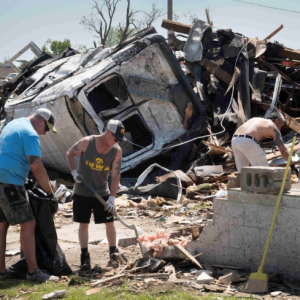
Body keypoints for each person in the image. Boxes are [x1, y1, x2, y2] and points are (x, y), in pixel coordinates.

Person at [0, 108, 57, 281]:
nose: (45, 133)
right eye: (46, 129)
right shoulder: (30, 133)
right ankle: (33, 272)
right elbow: (37, 166)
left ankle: (1, 272)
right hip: (10, 182)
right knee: (29, 223)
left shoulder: (13, 125)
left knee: (2, 225)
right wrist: (50, 193)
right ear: (41, 121)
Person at [66, 119, 124, 270]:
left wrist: (112, 197)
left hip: (101, 191)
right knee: (83, 224)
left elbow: (116, 175)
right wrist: (74, 172)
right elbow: (70, 154)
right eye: (115, 138)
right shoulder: (87, 142)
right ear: (108, 133)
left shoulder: (116, 150)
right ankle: (84, 257)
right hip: (82, 191)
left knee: (109, 222)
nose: (117, 141)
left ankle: (113, 252)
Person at [232, 111, 295, 175]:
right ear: (276, 121)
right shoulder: (273, 127)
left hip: (235, 140)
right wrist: (292, 165)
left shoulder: (256, 120)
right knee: (264, 171)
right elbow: (283, 150)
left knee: (242, 172)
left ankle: (238, 183)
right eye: (280, 126)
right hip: (247, 140)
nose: (280, 129)